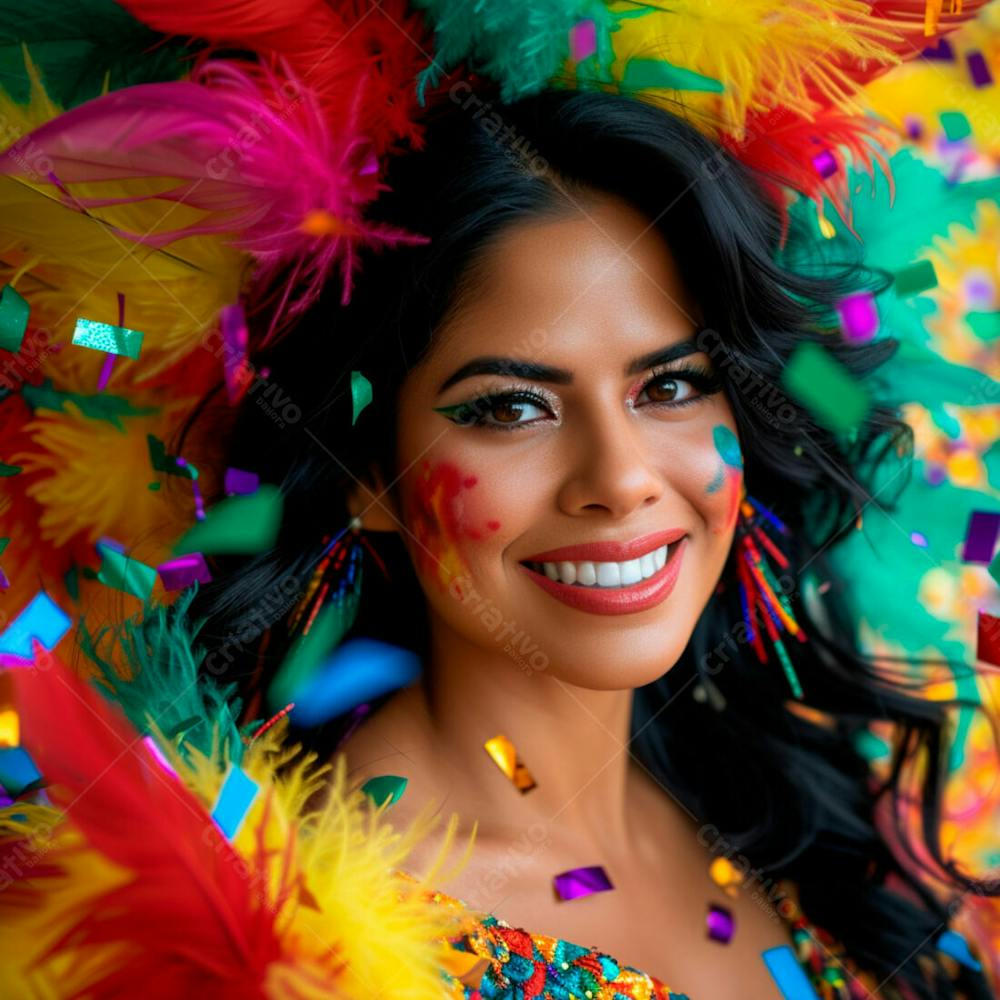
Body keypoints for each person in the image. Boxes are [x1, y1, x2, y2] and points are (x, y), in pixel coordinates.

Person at [180, 87, 995, 999]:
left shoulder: (771, 788)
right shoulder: (301, 933)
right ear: (368, 472)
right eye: (511, 407)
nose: (621, 478)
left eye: (674, 386)